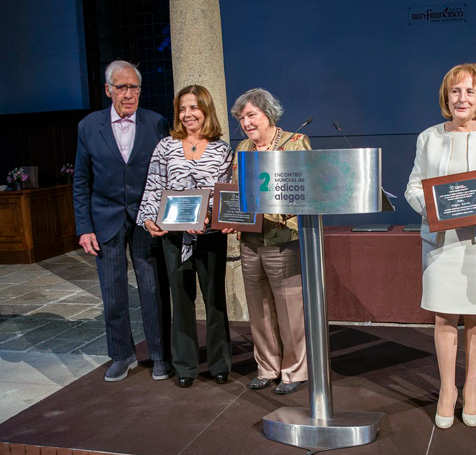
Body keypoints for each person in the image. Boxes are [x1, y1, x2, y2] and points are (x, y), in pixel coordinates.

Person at [405, 63, 476, 429]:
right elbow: (412, 187)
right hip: (440, 242)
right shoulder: (428, 138)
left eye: (470, 91)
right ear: (446, 96)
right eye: (455, 91)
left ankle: (472, 388)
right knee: (443, 316)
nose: (462, 98)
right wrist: (435, 210)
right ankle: (447, 389)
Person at [73, 60, 172, 382]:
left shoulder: (157, 123)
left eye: (134, 87)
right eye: (122, 87)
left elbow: (166, 174)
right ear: (108, 90)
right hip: (106, 219)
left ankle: (159, 355)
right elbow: (81, 180)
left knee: (152, 289)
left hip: (146, 220)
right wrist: (84, 227)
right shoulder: (89, 126)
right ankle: (121, 354)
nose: (129, 94)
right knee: (112, 292)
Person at [137, 85, 234, 388]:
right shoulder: (165, 146)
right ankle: (185, 366)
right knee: (181, 301)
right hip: (173, 237)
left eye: (194, 107)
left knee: (215, 300)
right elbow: (154, 185)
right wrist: (149, 219)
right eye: (182, 108)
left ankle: (219, 363)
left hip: (210, 235)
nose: (187, 114)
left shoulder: (221, 149)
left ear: (206, 110)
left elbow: (225, 191)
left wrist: (207, 218)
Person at [230, 88, 310, 395]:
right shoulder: (243, 148)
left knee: (290, 309)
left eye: (251, 115)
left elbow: (306, 189)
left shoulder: (295, 143)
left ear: (268, 114)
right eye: (241, 118)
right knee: (258, 307)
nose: (246, 123)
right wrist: (230, 219)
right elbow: (237, 193)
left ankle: (294, 370)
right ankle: (266, 367)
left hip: (283, 237)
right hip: (249, 239)